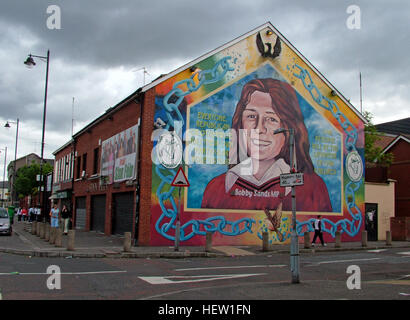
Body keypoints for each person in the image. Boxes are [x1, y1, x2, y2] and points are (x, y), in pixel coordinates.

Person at [201, 78, 332, 212]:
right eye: (251, 116)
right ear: (240, 124)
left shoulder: (312, 188)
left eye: (271, 119)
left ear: (289, 128)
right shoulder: (217, 187)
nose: (259, 128)